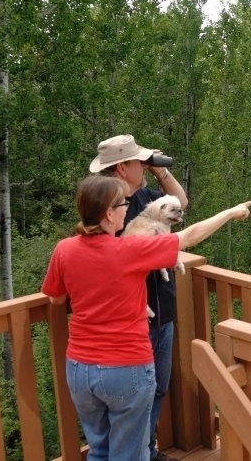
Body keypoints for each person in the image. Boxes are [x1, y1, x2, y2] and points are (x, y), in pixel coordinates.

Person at [41, 174, 251, 461]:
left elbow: (56, 298)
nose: (127, 208)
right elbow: (188, 237)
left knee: (100, 450)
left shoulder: (63, 249)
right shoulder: (129, 250)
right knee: (130, 454)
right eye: (122, 204)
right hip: (125, 367)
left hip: (80, 369)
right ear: (108, 214)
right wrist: (230, 212)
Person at [88, 134, 188, 461]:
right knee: (131, 398)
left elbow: (181, 203)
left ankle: (146, 449)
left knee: (158, 386)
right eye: (137, 161)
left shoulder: (147, 195)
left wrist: (160, 170)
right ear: (121, 168)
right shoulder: (106, 210)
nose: (143, 165)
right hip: (132, 317)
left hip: (163, 306)